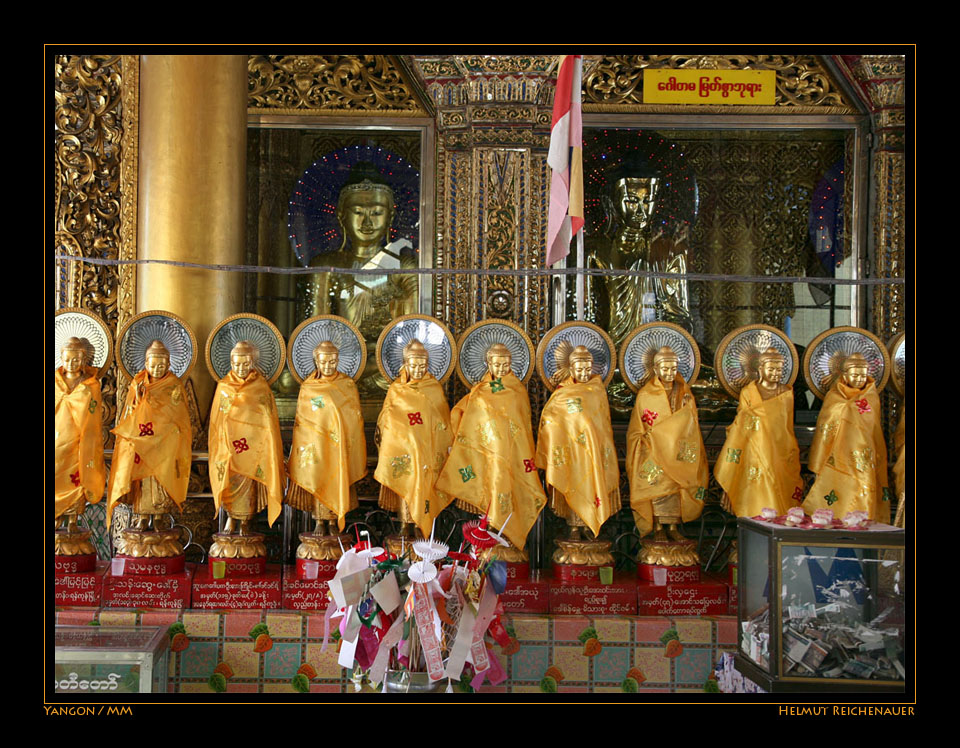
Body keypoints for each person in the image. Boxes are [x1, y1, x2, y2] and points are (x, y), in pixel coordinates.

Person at [303, 176, 417, 396]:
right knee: (288, 379)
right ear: (341, 217)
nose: (367, 222)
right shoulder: (325, 265)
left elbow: (411, 332)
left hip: (386, 362)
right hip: (338, 360)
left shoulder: (405, 265)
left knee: (408, 369)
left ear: (390, 217)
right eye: (358, 212)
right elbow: (314, 330)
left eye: (376, 213)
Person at [436, 343, 547, 554]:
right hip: (485, 455)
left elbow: (523, 427)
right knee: (489, 489)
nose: (502, 369)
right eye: (498, 365)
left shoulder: (517, 392)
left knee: (509, 490)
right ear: (489, 364)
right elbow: (470, 419)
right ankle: (487, 536)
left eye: (506, 365)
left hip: (512, 456)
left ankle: (507, 536)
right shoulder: (479, 392)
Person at [107, 340, 192, 531]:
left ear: (169, 364)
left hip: (164, 443)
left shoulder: (173, 385)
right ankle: (142, 516)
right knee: (142, 481)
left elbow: (178, 416)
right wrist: (138, 399)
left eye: (161, 365)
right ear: (145, 364)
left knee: (159, 481)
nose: (157, 368)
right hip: (142, 442)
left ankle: (159, 517)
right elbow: (130, 414)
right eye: (153, 365)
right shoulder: (138, 383)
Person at [536, 346, 619, 539]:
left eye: (587, 369)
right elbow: (549, 419)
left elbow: (604, 425)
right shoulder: (561, 395)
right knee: (574, 484)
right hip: (571, 453)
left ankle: (589, 527)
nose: (583, 374)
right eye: (579, 369)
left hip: (594, 453)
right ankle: (574, 527)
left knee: (592, 485)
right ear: (570, 368)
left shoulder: (597, 391)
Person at [626, 346, 707, 542]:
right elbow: (638, 427)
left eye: (673, 368)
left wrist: (687, 407)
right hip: (654, 452)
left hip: (677, 452)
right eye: (665, 368)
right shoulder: (646, 394)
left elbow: (690, 424)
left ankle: (673, 526)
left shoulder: (684, 392)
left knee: (676, 491)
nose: (670, 373)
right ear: (655, 369)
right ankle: (658, 526)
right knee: (657, 489)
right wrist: (648, 441)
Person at [374, 339, 452, 539]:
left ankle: (420, 525)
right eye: (414, 365)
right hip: (403, 450)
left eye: (423, 366)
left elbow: (442, 421)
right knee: (405, 482)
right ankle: (403, 527)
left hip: (427, 452)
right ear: (405, 365)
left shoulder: (433, 389)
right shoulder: (396, 389)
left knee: (424, 486)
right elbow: (386, 418)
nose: (418, 370)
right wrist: (395, 437)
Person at [287, 340, 367, 533]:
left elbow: (354, 418)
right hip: (317, 445)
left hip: (340, 446)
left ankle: (333, 522)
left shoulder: (347, 385)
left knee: (337, 476)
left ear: (338, 360)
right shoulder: (309, 387)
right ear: (316, 362)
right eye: (324, 362)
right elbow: (302, 420)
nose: (328, 366)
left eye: (332, 361)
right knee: (318, 476)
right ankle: (319, 522)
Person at [208, 341, 285, 534]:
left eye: (245, 364)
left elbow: (268, 421)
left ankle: (245, 522)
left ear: (253, 363)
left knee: (248, 486)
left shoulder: (260, 388)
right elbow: (217, 419)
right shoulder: (224, 386)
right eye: (236, 364)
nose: (241, 368)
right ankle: (231, 519)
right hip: (230, 448)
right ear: (230, 363)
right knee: (229, 482)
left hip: (253, 448)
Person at [715, 348, 803, 517]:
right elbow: (742, 422)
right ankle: (752, 523)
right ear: (761, 369)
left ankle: (778, 523)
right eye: (771, 369)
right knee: (754, 488)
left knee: (780, 489)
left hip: (780, 449)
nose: (775, 373)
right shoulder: (749, 392)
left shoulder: (786, 393)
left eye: (779, 370)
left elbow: (786, 426)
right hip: (754, 448)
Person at [804, 352, 890, 522]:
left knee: (863, 488)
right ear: (845, 375)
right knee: (838, 492)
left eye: (863, 374)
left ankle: (863, 521)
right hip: (838, 455)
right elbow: (825, 429)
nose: (859, 378)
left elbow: (874, 430)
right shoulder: (835, 398)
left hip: (864, 456)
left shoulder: (871, 398)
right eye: (855, 374)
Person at [54, 337, 106, 531]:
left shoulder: (90, 384)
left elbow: (93, 413)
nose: (71, 364)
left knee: (78, 478)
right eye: (67, 360)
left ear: (83, 360)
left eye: (76, 360)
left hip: (80, 440)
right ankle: (57, 515)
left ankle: (73, 520)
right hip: (58, 440)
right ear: (61, 358)